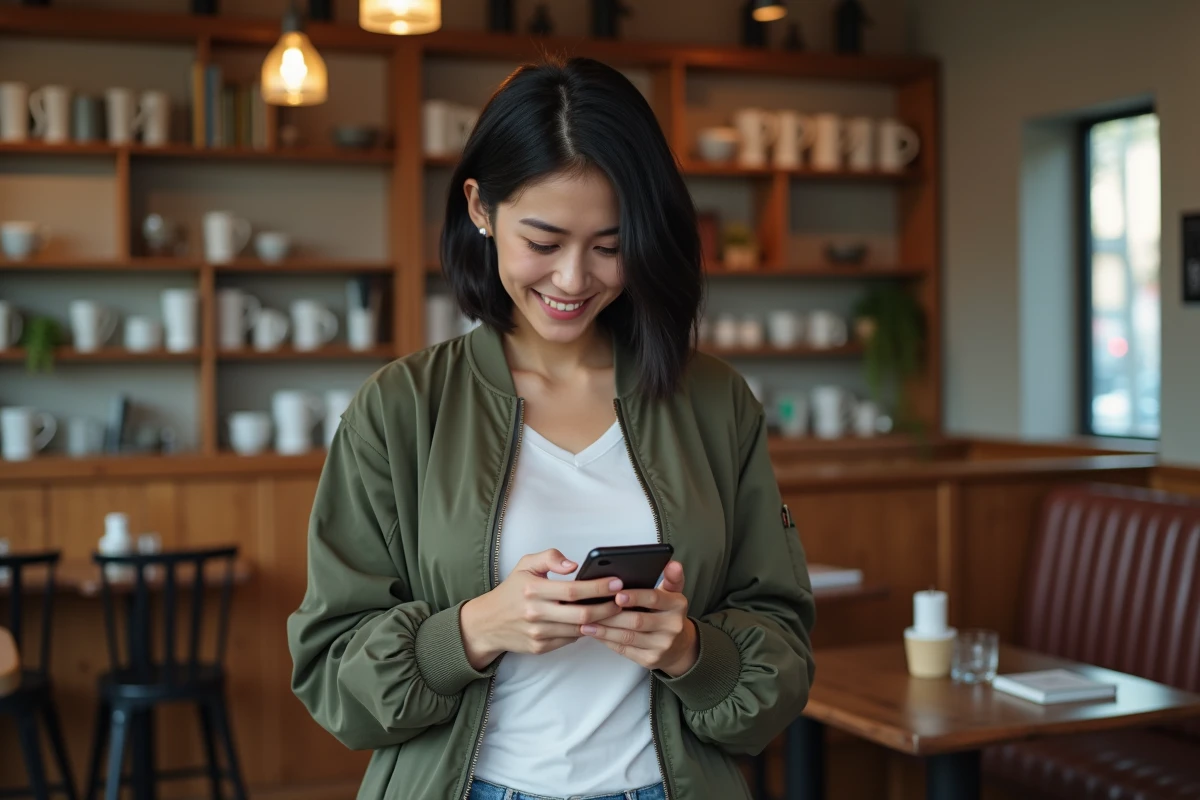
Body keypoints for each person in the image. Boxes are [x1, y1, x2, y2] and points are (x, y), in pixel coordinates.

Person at [287, 56, 816, 800]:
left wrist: (692, 648)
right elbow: (329, 672)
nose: (574, 280)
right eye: (543, 242)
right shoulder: (402, 408)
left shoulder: (713, 402)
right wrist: (474, 629)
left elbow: (782, 649)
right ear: (480, 207)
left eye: (609, 245)